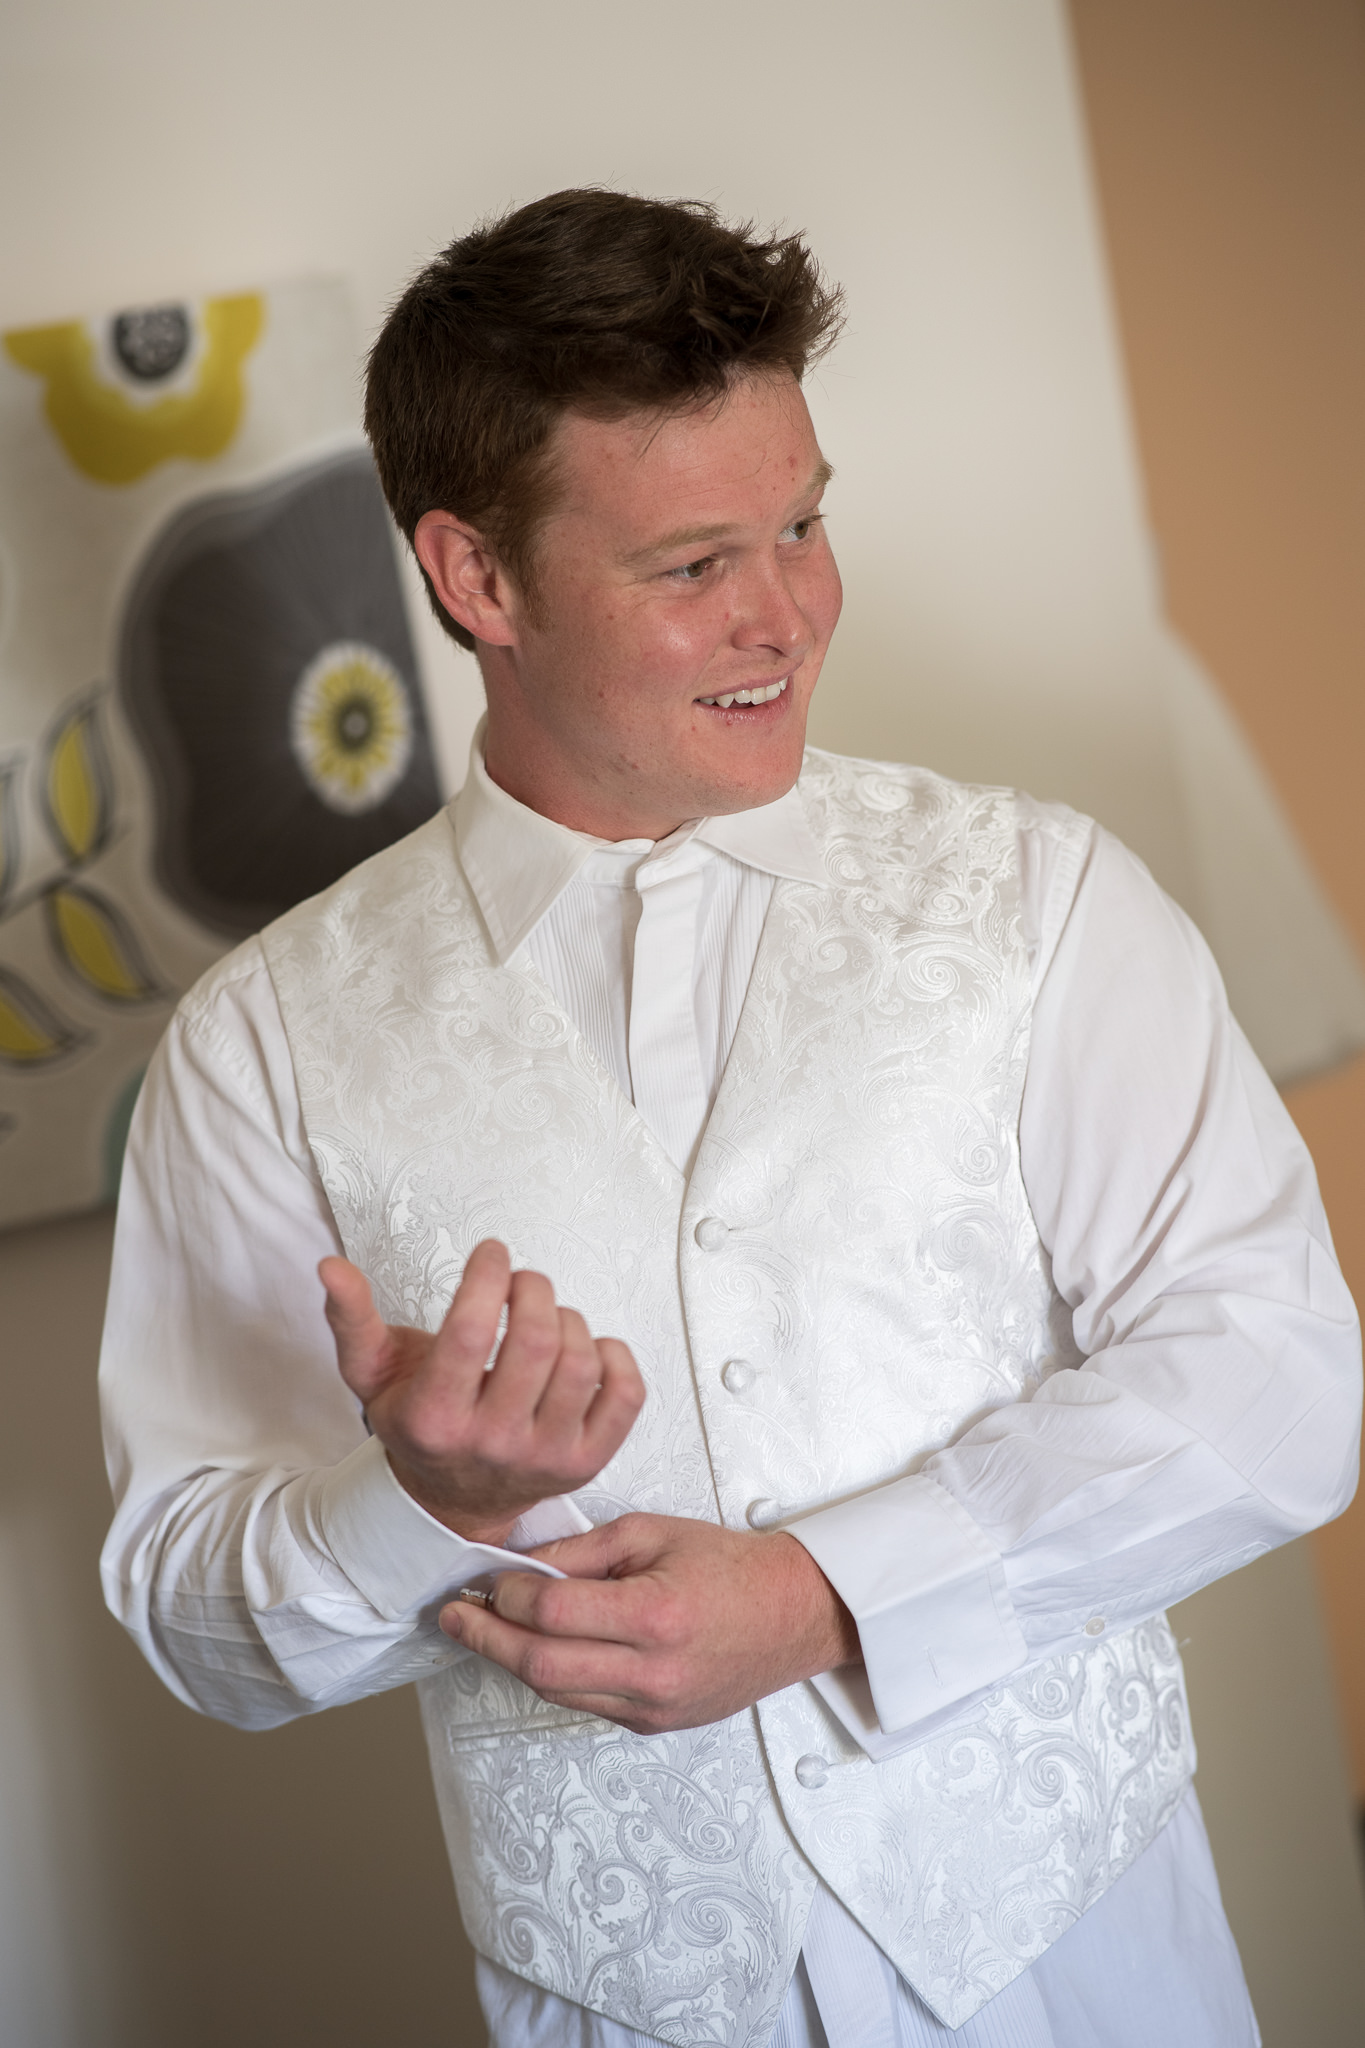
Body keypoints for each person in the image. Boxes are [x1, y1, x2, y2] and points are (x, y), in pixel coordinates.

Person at [100, 190, 1361, 2048]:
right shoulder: (258, 1045)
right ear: (477, 580)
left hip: (1088, 1968)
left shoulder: (1038, 899)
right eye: (693, 564)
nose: (786, 610)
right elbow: (195, 1626)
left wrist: (833, 1594)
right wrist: (420, 1505)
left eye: (801, 521)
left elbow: (1278, 1381)